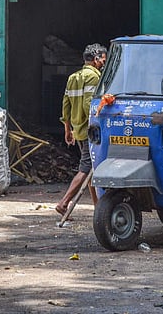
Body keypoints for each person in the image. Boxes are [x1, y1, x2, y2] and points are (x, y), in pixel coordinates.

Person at [55, 43, 107, 216]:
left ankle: (97, 206)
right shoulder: (93, 77)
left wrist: (67, 130)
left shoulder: (73, 77)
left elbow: (65, 105)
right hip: (89, 131)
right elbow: (88, 105)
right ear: (96, 59)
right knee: (85, 168)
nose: (103, 63)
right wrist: (97, 126)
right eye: (102, 60)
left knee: (91, 169)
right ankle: (64, 203)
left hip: (78, 130)